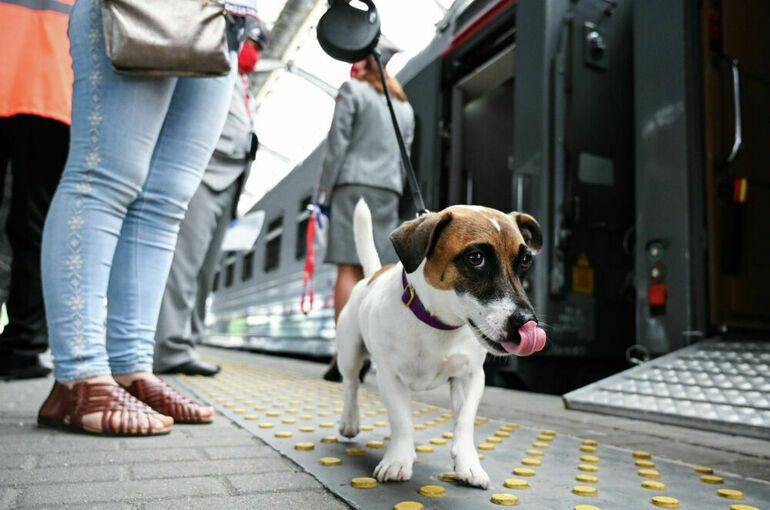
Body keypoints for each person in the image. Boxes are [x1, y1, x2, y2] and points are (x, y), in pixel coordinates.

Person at [37, 0, 258, 437]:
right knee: (102, 177)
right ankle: (77, 377)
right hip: (144, 7)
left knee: (165, 203)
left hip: (222, 23)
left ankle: (130, 368)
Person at [154, 19, 267, 377]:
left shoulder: (242, 81)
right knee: (183, 263)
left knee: (203, 269)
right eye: (253, 42)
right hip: (204, 168)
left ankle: (187, 340)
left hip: (231, 178)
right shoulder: (210, 54)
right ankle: (169, 346)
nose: (256, 52)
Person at [315, 48, 415, 382]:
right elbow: (406, 158)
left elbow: (337, 145)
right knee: (374, 269)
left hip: (351, 184)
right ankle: (374, 348)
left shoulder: (352, 91)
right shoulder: (404, 107)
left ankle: (343, 355)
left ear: (363, 64)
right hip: (387, 190)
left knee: (348, 265)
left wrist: (323, 195)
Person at [0, 0, 73, 380]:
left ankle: (23, 343)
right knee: (35, 227)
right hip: (52, 82)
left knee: (34, 227)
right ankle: (22, 345)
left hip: (49, 82)